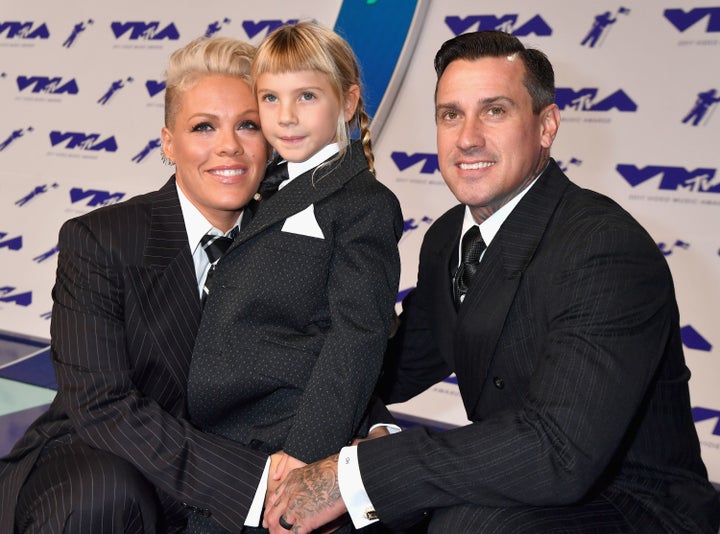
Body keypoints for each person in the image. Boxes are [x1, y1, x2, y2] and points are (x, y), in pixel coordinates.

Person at [264, 30, 720, 534]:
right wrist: (261, 384)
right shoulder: (447, 239)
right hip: (518, 484)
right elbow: (382, 365)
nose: (467, 137)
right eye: (450, 114)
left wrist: (354, 472)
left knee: (465, 525)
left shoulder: (604, 248)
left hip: (636, 504)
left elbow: (558, 452)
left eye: (495, 111)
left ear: (546, 126)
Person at [0, 36, 391, 533]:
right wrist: (256, 482)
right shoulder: (100, 240)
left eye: (247, 125)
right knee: (100, 495)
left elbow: (336, 344)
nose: (228, 146)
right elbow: (101, 403)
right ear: (168, 142)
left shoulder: (299, 229)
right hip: (117, 457)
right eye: (204, 127)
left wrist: (375, 430)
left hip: (250, 455)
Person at [186, 21, 403, 533]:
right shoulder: (256, 184)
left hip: (279, 438)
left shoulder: (363, 204)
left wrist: (308, 450)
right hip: (215, 435)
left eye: (306, 95)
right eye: (269, 98)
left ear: (347, 103)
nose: (284, 117)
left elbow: (358, 335)